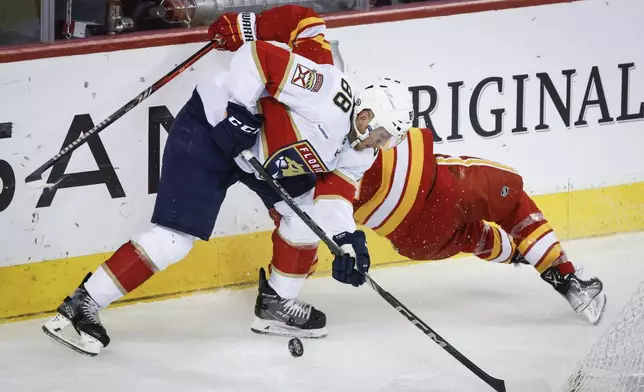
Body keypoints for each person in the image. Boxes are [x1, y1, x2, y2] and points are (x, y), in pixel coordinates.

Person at [41, 5, 414, 355]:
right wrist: (238, 112)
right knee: (173, 240)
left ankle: (276, 304)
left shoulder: (360, 150)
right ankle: (81, 306)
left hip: (259, 157)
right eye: (381, 135)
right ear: (365, 115)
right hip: (210, 129)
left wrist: (346, 241)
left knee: (304, 216)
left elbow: (334, 199)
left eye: (387, 141)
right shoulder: (325, 90)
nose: (379, 146)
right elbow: (257, 58)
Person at [323, 126, 607, 325]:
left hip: (414, 241)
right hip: (441, 190)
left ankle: (523, 252)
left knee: (474, 236)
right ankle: (566, 280)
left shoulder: (313, 179)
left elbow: (324, 212)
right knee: (514, 200)